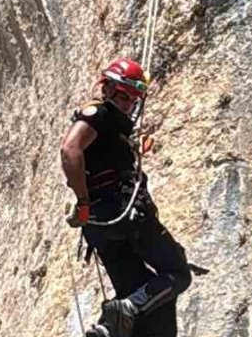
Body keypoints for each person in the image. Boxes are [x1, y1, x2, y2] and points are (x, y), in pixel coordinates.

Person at [60, 57, 192, 337]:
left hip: (100, 227)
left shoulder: (114, 129)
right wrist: (82, 201)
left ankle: (109, 331)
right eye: (123, 97)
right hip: (123, 216)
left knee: (152, 304)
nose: (127, 105)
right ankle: (118, 317)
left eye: (133, 100)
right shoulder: (99, 113)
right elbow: (70, 149)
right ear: (106, 89)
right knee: (177, 273)